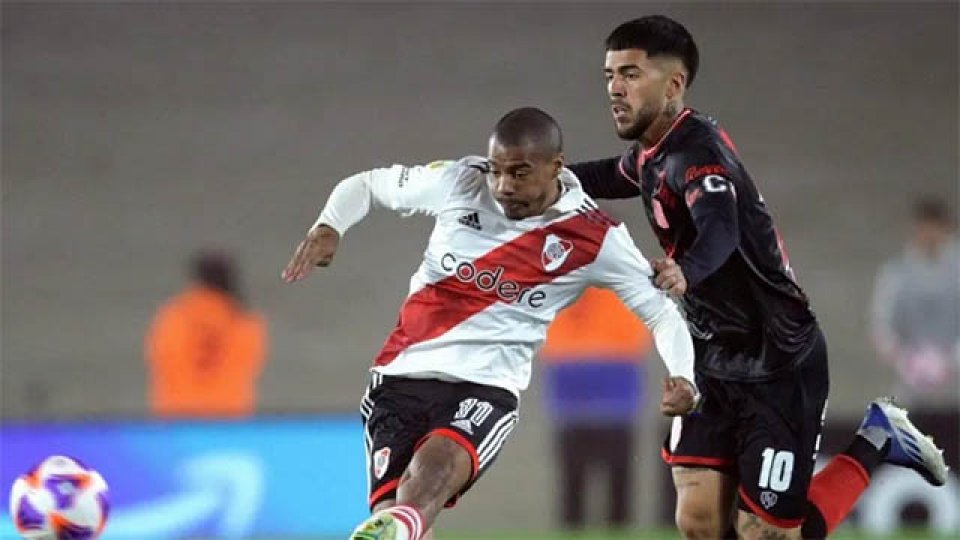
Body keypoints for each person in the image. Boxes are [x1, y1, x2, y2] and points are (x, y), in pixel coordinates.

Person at [567, 16, 949, 539]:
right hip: (713, 355)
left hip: (778, 359)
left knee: (766, 535)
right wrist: (546, 177)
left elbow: (720, 229)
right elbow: (611, 175)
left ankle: (878, 439)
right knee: (698, 522)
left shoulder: (699, 155)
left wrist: (687, 270)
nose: (615, 88)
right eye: (610, 75)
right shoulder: (653, 154)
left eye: (630, 74)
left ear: (674, 84)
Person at [281, 107, 698, 540]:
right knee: (400, 521)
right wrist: (329, 226)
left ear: (556, 166)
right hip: (400, 377)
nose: (503, 186)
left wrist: (684, 376)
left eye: (519, 173)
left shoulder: (596, 237)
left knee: (434, 470)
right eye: (496, 171)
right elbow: (368, 185)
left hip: (485, 387)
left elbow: (661, 312)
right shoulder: (459, 181)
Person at [540, 286, 651, 529]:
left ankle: (609, 526)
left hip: (609, 390)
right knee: (578, 476)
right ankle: (585, 525)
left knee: (610, 475)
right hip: (582, 392)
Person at [870, 197, 959, 466]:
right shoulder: (896, 273)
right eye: (923, 228)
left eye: (934, 228)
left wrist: (950, 361)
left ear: (945, 229)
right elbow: (881, 322)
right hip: (912, 385)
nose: (929, 234)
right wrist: (905, 360)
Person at [146, 250, 268, 418]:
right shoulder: (243, 321)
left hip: (175, 414)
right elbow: (247, 364)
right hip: (229, 416)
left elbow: (162, 358)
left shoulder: (174, 315)